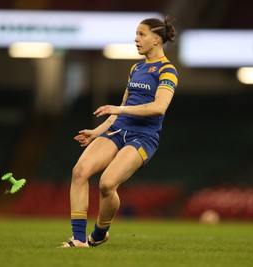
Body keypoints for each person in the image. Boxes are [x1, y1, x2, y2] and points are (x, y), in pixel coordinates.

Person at [60, 16, 179, 248]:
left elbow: (159, 107)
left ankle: (99, 233)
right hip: (118, 129)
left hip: (143, 137)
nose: (136, 39)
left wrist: (120, 108)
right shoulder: (136, 68)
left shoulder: (168, 70)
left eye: (141, 34)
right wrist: (97, 131)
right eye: (136, 34)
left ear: (156, 40)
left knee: (106, 184)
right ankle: (78, 239)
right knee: (80, 171)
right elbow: (118, 113)